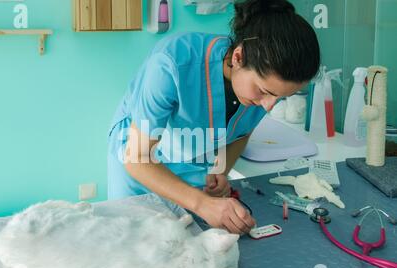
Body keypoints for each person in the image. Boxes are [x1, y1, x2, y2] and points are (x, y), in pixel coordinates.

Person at [107, 0, 320, 234]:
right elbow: (137, 157)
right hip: (141, 163)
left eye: (279, 98)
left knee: (185, 243)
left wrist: (220, 169)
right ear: (238, 57)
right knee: (136, 243)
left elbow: (241, 131)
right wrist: (202, 203)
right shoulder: (173, 63)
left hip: (192, 157)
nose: (268, 106)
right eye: (265, 92)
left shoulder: (259, 92)